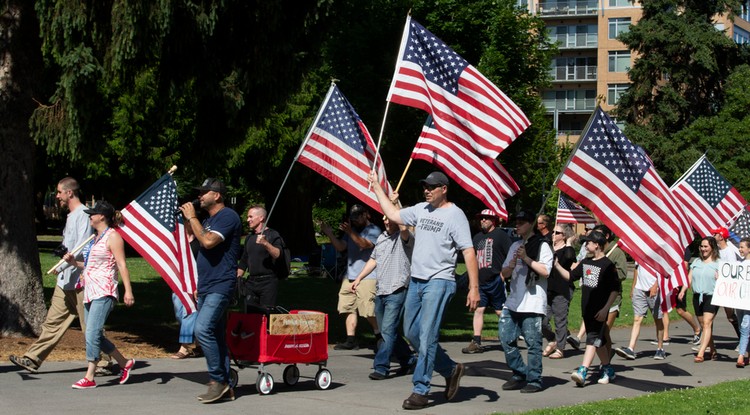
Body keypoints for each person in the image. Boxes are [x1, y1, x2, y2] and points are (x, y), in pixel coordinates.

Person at [367, 170, 480, 410]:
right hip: (416, 281)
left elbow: (468, 251)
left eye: (432, 187)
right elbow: (393, 213)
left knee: (427, 335)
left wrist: (473, 288)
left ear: (444, 189)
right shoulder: (421, 209)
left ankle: (420, 389)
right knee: (412, 333)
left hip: (439, 281)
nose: (427, 190)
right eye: (425, 187)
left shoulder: (455, 215)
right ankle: (450, 369)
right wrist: (377, 186)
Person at [10, 177, 94, 373]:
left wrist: (62, 265)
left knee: (90, 325)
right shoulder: (71, 215)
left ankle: (105, 362)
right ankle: (33, 358)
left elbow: (81, 248)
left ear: (69, 193)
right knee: (52, 323)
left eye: (59, 192)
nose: (57, 196)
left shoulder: (83, 214)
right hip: (64, 282)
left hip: (80, 280)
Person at [180, 178, 242, 403]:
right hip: (206, 285)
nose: (200, 196)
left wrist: (192, 218)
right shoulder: (208, 220)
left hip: (221, 284)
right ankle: (226, 387)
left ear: (217, 195)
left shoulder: (228, 216)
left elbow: (207, 242)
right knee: (215, 335)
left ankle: (218, 381)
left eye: (204, 192)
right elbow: (198, 246)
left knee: (202, 329)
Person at [63, 201, 136, 389]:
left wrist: (128, 290)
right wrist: (73, 263)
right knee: (92, 334)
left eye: (92, 214)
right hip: (90, 291)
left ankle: (89, 376)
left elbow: (121, 265)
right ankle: (124, 363)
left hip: (105, 291)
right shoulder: (95, 238)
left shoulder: (113, 237)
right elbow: (89, 266)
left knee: (93, 333)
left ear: (101, 216)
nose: (90, 216)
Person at [350, 205, 415, 380]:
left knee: (386, 331)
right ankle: (409, 360)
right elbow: (373, 260)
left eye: (389, 218)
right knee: (389, 330)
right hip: (381, 290)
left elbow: (404, 227)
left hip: (397, 289)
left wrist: (395, 207)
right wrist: (359, 278)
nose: (386, 221)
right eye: (384, 218)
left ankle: (381, 367)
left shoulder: (405, 238)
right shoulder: (382, 238)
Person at [555, 231, 620, 387]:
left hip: (600, 311)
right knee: (599, 341)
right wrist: (556, 265)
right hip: (587, 309)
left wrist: (606, 309)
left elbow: (615, 289)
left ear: (596, 245)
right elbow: (570, 276)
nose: (585, 245)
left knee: (592, 338)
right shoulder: (585, 262)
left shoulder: (608, 265)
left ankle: (583, 371)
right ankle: (607, 368)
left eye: (588, 242)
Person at [499, 210, 553, 393]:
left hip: (532, 300)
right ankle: (520, 372)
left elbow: (546, 271)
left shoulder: (542, 246)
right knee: (506, 338)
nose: (517, 225)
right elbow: (504, 274)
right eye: (517, 221)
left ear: (531, 224)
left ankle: (535, 379)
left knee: (533, 342)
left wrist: (526, 259)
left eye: (522, 222)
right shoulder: (515, 246)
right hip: (513, 300)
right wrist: (512, 264)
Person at [320, 204, 381, 351]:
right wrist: (329, 234)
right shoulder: (352, 231)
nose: (355, 220)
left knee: (367, 309)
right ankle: (351, 340)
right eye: (353, 217)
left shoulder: (374, 230)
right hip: (350, 275)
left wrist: (350, 231)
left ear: (366, 215)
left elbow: (364, 244)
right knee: (347, 307)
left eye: (358, 216)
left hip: (368, 276)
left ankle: (380, 337)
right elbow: (341, 247)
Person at [462, 209, 511, 354]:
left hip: (496, 279)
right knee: (479, 309)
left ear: (493, 220)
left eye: (486, 218)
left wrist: (504, 274)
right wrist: (472, 282)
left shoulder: (501, 235)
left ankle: (509, 336)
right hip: (480, 282)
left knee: (499, 311)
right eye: (481, 218)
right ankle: (476, 341)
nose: (483, 220)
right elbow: (472, 259)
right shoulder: (477, 238)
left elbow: (511, 254)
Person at [237, 205, 286, 310]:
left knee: (266, 313)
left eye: (250, 217)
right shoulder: (249, 238)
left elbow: (278, 254)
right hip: (251, 282)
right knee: (250, 313)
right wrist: (237, 277)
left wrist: (265, 243)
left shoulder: (273, 234)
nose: (248, 220)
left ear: (261, 218)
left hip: (268, 282)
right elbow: (244, 260)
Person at [679, 236, 720, 363]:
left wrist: (720, 278)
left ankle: (701, 352)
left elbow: (726, 281)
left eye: (706, 246)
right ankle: (712, 349)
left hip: (711, 296)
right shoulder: (696, 262)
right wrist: (683, 290)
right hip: (697, 296)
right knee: (704, 325)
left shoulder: (719, 263)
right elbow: (689, 278)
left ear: (712, 248)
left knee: (707, 323)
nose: (703, 249)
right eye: (701, 246)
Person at [614, 264, 666, 361]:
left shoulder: (657, 254)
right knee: (637, 318)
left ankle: (660, 348)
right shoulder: (640, 253)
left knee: (658, 319)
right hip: (639, 289)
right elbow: (637, 270)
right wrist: (633, 287)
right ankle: (631, 348)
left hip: (654, 290)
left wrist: (656, 285)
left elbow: (663, 272)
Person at [542, 223, 577, 360]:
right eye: (553, 232)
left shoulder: (567, 251)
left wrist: (569, 242)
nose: (553, 234)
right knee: (542, 321)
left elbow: (569, 258)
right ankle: (552, 339)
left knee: (560, 320)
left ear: (564, 236)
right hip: (547, 289)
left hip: (562, 289)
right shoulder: (548, 248)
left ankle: (560, 349)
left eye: (557, 232)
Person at [711, 226, 741, 339]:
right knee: (709, 317)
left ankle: (743, 340)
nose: (713, 236)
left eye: (715, 234)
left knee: (730, 316)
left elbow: (732, 270)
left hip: (726, 288)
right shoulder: (716, 251)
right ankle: (708, 344)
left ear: (721, 236)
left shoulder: (729, 252)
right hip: (716, 287)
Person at [736, 238, 750, 368]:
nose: (740, 249)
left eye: (742, 247)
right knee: (742, 327)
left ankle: (741, 356)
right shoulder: (739, 264)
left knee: (745, 327)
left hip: (749, 302)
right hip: (740, 301)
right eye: (739, 247)